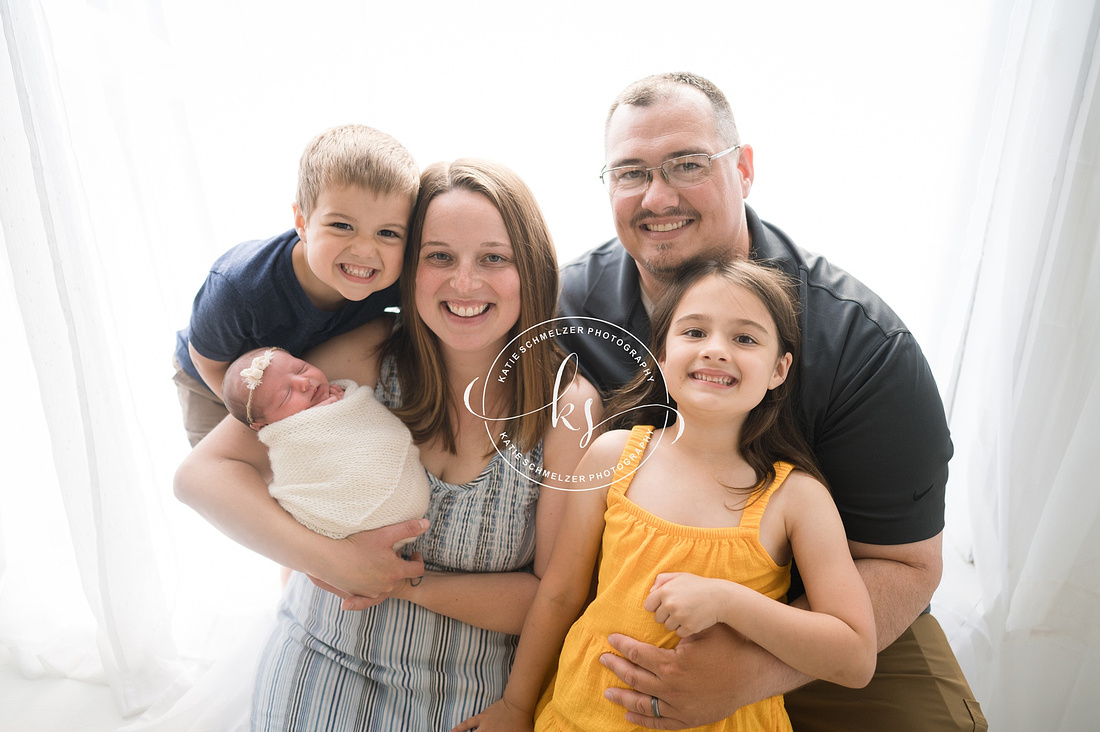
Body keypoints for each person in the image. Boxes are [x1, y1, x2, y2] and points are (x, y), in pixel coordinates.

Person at [556, 72, 985, 730]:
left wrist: (745, 670)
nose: (658, 195)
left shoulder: (863, 345)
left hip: (829, 613)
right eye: (630, 172)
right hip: (629, 614)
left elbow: (907, 564)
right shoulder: (567, 311)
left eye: (687, 164)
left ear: (744, 169)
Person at [174, 158, 601, 730]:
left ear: (532, 268)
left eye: (494, 258)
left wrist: (401, 582)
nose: (465, 282)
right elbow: (200, 476)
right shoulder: (371, 352)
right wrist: (331, 560)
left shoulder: (566, 407)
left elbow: (548, 599)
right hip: (321, 657)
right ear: (410, 270)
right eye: (439, 257)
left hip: (467, 694)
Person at [456, 259, 877, 732]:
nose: (716, 350)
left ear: (779, 369)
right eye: (695, 332)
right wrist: (515, 706)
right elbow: (560, 594)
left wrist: (727, 601)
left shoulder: (795, 498)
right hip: (582, 715)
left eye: (744, 338)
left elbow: (856, 657)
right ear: (660, 351)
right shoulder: (612, 456)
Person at [172, 123, 418, 447]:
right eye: (342, 226)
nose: (365, 250)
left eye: (388, 233)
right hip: (218, 381)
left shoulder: (395, 275)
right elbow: (207, 360)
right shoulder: (240, 288)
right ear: (302, 222)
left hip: (303, 377)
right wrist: (259, 425)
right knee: (232, 469)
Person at [221, 347, 430, 542]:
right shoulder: (289, 442)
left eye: (301, 368)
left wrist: (342, 406)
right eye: (286, 395)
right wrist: (325, 416)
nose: (303, 382)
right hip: (347, 524)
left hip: (401, 490)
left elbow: (369, 423)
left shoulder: (337, 389)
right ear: (263, 425)